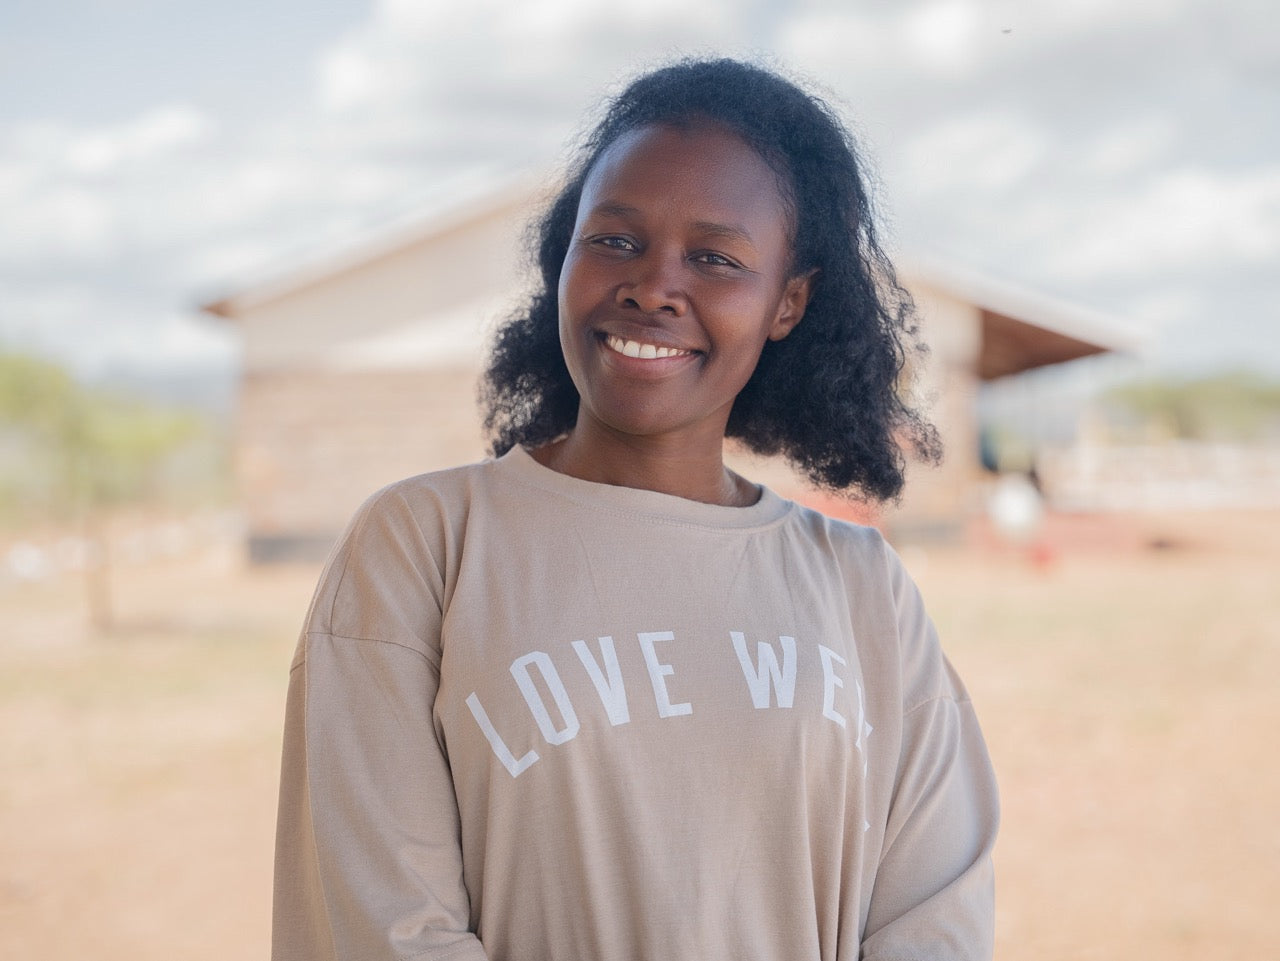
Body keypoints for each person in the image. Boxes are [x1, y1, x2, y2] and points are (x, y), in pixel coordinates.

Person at [272, 58, 998, 961]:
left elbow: (935, 917)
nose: (654, 286)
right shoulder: (426, 547)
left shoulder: (861, 587)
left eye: (716, 258)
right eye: (614, 240)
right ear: (562, 256)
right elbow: (385, 925)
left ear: (789, 302)